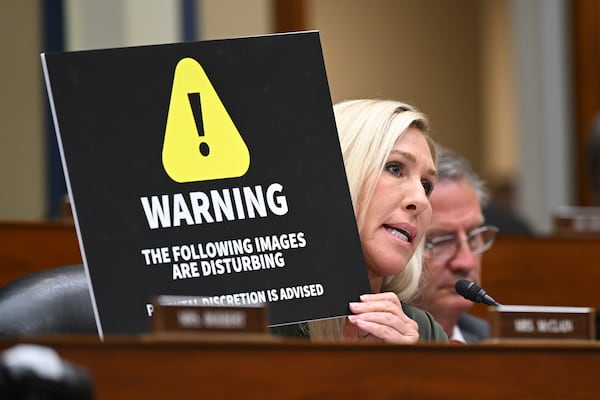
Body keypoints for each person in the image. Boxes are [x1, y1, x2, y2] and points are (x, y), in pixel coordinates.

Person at [275, 99, 447, 343]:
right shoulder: (259, 322)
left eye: (426, 185)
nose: (421, 200)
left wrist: (409, 370)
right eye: (395, 168)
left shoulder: (424, 334)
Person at [411, 144, 497, 342]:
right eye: (441, 241)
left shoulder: (496, 344)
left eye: (474, 235)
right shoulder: (373, 349)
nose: (465, 262)